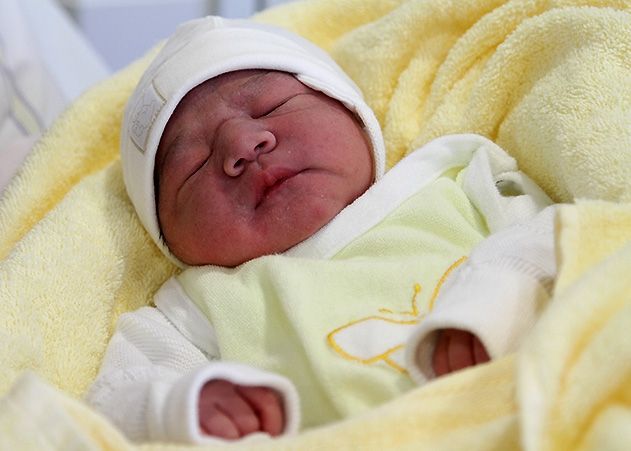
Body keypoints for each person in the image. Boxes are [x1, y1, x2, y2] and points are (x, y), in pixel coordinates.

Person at [87, 16, 557, 444]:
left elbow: (561, 233)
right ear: (172, 241)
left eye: (270, 106)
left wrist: (499, 296)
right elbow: (110, 403)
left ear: (351, 110)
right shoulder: (196, 310)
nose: (242, 144)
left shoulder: (449, 180)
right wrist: (181, 407)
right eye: (192, 165)